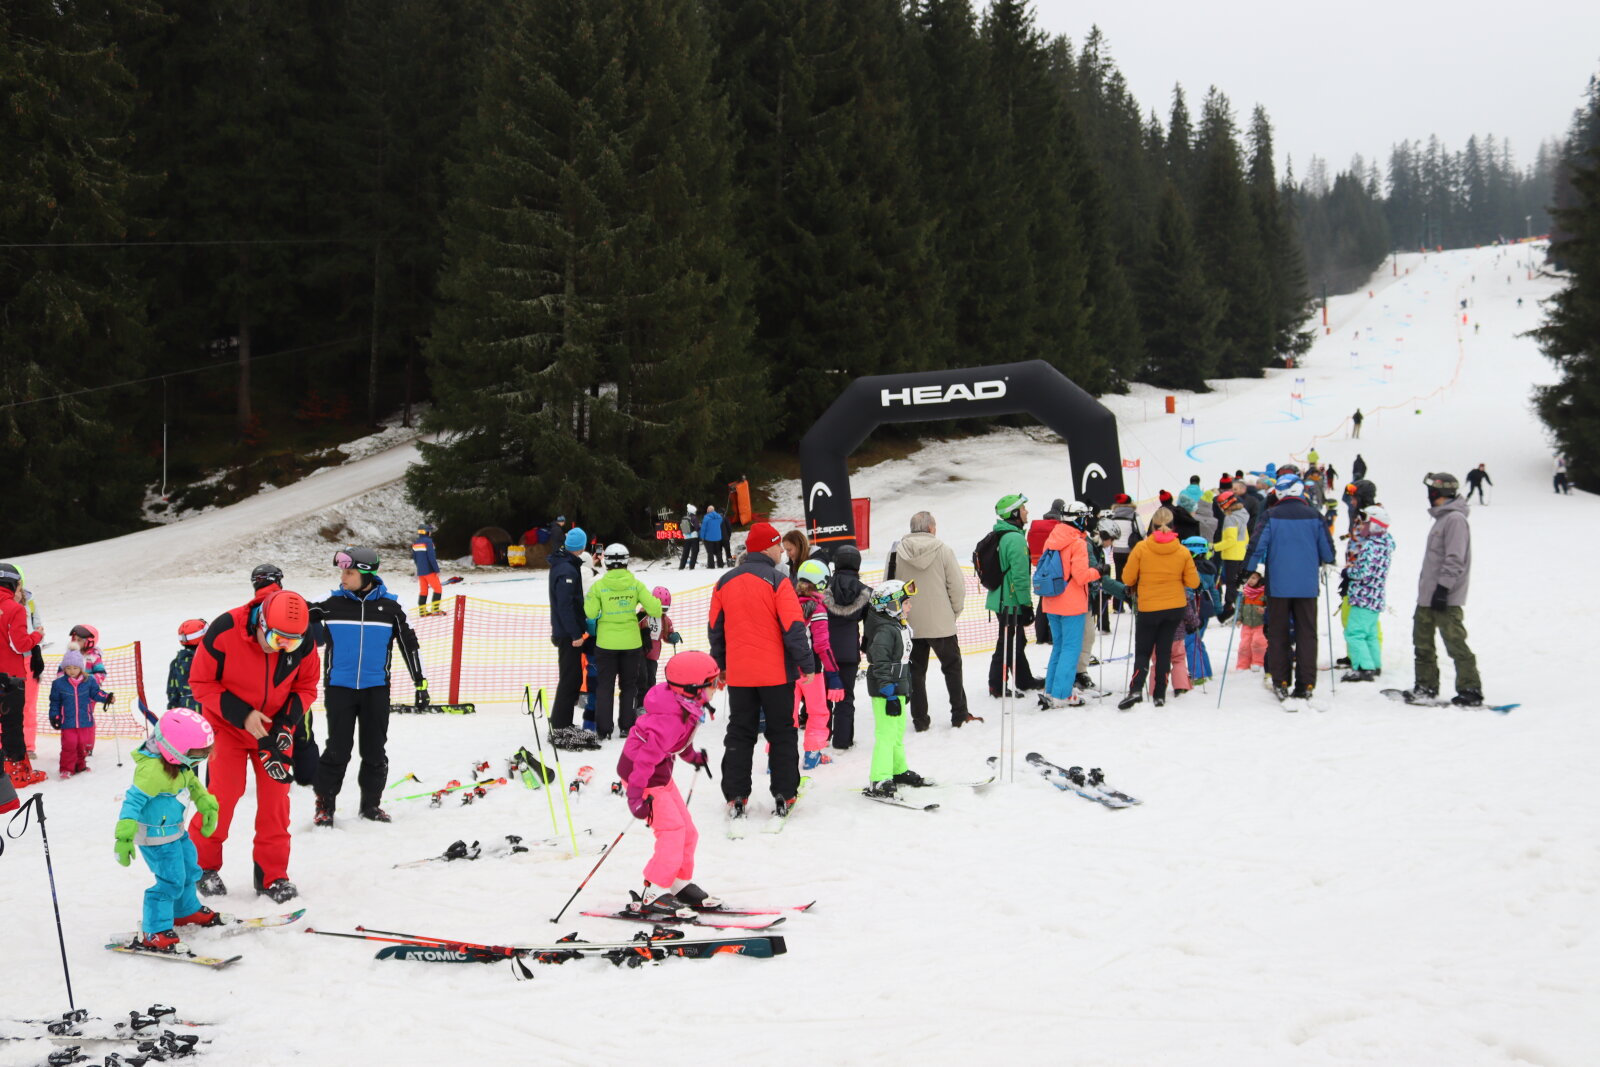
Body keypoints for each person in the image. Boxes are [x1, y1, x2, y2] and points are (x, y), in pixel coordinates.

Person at [188, 587, 319, 903]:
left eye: (291, 643)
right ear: (260, 623)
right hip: (227, 727)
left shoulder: (302, 641)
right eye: (277, 640)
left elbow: (307, 686)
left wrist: (286, 723)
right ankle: (201, 868)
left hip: (273, 732)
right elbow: (201, 683)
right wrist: (242, 715)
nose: (282, 648)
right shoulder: (225, 629)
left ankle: (272, 877)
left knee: (276, 804)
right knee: (221, 797)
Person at [312, 547, 426, 826]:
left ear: (366, 574)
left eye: (349, 572)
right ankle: (325, 806)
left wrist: (420, 684)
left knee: (375, 750)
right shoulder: (331, 605)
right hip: (340, 688)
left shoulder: (390, 609)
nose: (343, 577)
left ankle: (371, 805)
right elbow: (290, 617)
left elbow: (409, 646)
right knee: (338, 748)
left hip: (376, 688)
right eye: (343, 571)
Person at [708, 521, 810, 824]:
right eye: (778, 544)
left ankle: (735, 795)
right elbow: (794, 628)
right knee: (782, 733)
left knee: (740, 732)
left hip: (740, 674)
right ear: (767, 546)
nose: (782, 550)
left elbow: (716, 630)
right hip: (775, 674)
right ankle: (785, 793)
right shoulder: (779, 581)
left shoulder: (724, 582)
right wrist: (807, 664)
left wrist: (721, 667)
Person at [617, 651, 720, 919]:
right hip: (643, 776)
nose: (717, 687)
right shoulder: (670, 719)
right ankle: (654, 891)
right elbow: (645, 760)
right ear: (693, 688)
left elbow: (679, 744)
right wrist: (635, 797)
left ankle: (677, 883)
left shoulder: (685, 707)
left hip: (659, 773)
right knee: (672, 830)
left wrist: (693, 757)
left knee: (688, 831)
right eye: (712, 683)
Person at [113, 708, 223, 954]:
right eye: (197, 756)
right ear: (175, 750)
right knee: (170, 881)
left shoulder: (180, 764)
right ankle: (155, 930)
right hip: (155, 837)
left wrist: (206, 804)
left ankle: (185, 911)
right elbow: (132, 803)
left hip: (175, 831)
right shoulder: (151, 771)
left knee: (189, 870)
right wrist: (124, 837)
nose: (199, 761)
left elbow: (192, 783)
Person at [1243, 474, 1337, 705]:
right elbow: (1328, 553)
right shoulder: (1315, 515)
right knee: (1307, 633)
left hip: (1278, 587)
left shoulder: (1271, 515)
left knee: (1278, 634)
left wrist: (1247, 570)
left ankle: (1281, 681)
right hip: (1306, 586)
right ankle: (1306, 684)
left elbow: (1257, 544)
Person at [1404, 473, 1483, 706]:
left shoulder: (1455, 520)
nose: (1429, 495)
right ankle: (1425, 686)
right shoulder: (1441, 519)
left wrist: (1443, 588)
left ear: (1440, 493)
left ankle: (1470, 689)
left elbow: (1455, 558)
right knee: (1422, 643)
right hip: (1427, 596)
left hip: (1445, 596)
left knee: (1455, 642)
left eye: (1432, 491)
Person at [893, 512, 972, 729]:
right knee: (952, 668)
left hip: (910, 624)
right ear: (930, 528)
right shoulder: (944, 550)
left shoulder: (896, 553)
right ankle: (959, 715)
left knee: (915, 673)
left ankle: (920, 720)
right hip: (942, 624)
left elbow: (888, 588)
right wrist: (953, 613)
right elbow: (956, 586)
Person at [1116, 509, 1198, 710]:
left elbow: (1127, 578)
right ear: (1173, 527)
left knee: (1143, 651)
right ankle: (1160, 693)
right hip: (1174, 608)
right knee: (1164, 650)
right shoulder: (1182, 551)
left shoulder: (1141, 548)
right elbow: (1193, 581)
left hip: (1149, 607)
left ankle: (1136, 690)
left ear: (1152, 526)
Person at [584, 544, 663, 740]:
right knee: (629, 685)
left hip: (606, 644)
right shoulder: (635, 585)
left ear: (606, 562)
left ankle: (603, 729)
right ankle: (627, 726)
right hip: (631, 644)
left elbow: (590, 613)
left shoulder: (599, 586)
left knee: (605, 685)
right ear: (626, 561)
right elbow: (655, 609)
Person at [863, 580, 925, 798]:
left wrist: (904, 689)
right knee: (886, 735)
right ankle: (879, 778)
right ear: (889, 606)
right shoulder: (884, 630)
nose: (909, 607)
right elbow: (880, 663)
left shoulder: (897, 625)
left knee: (896, 734)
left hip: (897, 688)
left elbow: (903, 661)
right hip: (885, 690)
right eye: (905, 602)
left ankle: (897, 771)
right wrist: (888, 692)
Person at [1036, 506, 1100, 709]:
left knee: (1059, 647)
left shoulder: (1052, 538)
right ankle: (1062, 694)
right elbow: (1081, 576)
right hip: (1071, 604)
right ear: (1079, 520)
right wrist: (1098, 571)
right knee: (1071, 648)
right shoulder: (1077, 543)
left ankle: (1052, 689)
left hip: (1051, 600)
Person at [986, 493, 1040, 697]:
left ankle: (1024, 680)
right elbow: (1020, 577)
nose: (1027, 512)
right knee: (1007, 643)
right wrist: (1026, 605)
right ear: (1015, 513)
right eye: (1023, 509)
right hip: (1010, 600)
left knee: (1017, 641)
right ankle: (997, 685)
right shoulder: (1015, 539)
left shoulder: (1005, 534)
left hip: (1003, 597)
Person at [547, 526, 597, 748]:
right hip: (568, 633)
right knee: (570, 677)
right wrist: (575, 633)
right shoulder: (567, 569)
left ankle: (563, 721)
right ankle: (559, 724)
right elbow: (565, 605)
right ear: (582, 547)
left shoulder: (567, 564)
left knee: (573, 676)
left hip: (568, 630)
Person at [0, 561, 46, 788]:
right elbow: (19, 644)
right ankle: (17, 772)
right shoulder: (14, 608)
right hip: (11, 677)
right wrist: (37, 637)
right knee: (12, 723)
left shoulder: (22, 605)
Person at [821, 544, 871, 750]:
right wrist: (865, 645)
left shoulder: (825, 589)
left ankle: (822, 737)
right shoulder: (865, 593)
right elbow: (870, 625)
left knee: (824, 697)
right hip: (850, 651)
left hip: (824, 650)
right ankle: (843, 741)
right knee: (846, 697)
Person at [792, 560, 838, 767]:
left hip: (787, 670)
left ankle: (777, 758)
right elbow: (822, 644)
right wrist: (834, 672)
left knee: (786, 715)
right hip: (812, 671)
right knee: (818, 711)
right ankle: (813, 753)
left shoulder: (787, 603)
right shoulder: (817, 607)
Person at [1341, 506, 1394, 682]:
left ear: (1375, 525)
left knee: (1354, 632)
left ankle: (1363, 667)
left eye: (1365, 522)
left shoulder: (1371, 546)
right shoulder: (1386, 544)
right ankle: (1374, 663)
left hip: (1363, 596)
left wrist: (1349, 572)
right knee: (1369, 633)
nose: (1361, 526)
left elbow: (1363, 572)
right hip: (1375, 597)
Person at [49, 650, 114, 778]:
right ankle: (66, 769)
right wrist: (54, 715)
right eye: (68, 668)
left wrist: (107, 697)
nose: (72, 671)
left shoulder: (88, 681)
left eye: (75, 667)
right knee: (69, 744)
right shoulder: (58, 684)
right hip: (67, 721)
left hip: (85, 719)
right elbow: (55, 702)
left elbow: (96, 693)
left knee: (82, 744)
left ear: (81, 668)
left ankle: (80, 765)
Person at [634, 586, 680, 723]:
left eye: (665, 609)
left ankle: (650, 704)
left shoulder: (665, 619)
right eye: (660, 608)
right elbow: (633, 626)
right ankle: (639, 705)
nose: (662, 612)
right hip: (640, 651)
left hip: (653, 654)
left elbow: (666, 633)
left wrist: (672, 636)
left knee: (651, 680)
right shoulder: (643, 615)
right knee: (642, 677)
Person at [1212, 491, 1250, 621]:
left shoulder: (1230, 518)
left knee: (1230, 583)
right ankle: (1238, 608)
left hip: (1231, 554)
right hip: (1241, 553)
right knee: (1237, 583)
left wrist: (1214, 547)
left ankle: (1228, 609)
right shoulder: (1243, 514)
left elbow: (1230, 540)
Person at [167, 620, 207, 713]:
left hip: (186, 712)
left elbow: (172, 692)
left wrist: (173, 712)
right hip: (209, 708)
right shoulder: (209, 659)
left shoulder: (176, 663)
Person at [1233, 573, 1268, 672]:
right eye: (1249, 578)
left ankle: (1258, 662)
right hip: (1247, 624)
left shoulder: (1264, 592)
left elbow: (1270, 606)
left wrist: (1264, 610)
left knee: (1258, 642)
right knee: (1244, 644)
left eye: (1254, 578)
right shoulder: (1244, 592)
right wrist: (1239, 619)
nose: (1250, 580)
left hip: (1260, 623)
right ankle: (1243, 664)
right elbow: (1239, 607)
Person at [411, 524, 443, 616]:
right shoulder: (428, 542)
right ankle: (435, 609)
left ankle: (422, 611)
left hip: (421, 571)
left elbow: (415, 558)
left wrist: (419, 568)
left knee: (423, 590)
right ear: (427, 532)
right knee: (438, 588)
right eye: (430, 531)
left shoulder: (416, 543)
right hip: (429, 571)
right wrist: (436, 570)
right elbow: (431, 557)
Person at [677, 505, 701, 570]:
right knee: (694, 552)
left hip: (686, 538)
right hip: (694, 537)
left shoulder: (684, 517)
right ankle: (691, 566)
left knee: (685, 553)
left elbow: (681, 527)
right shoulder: (694, 518)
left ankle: (681, 566)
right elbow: (697, 527)